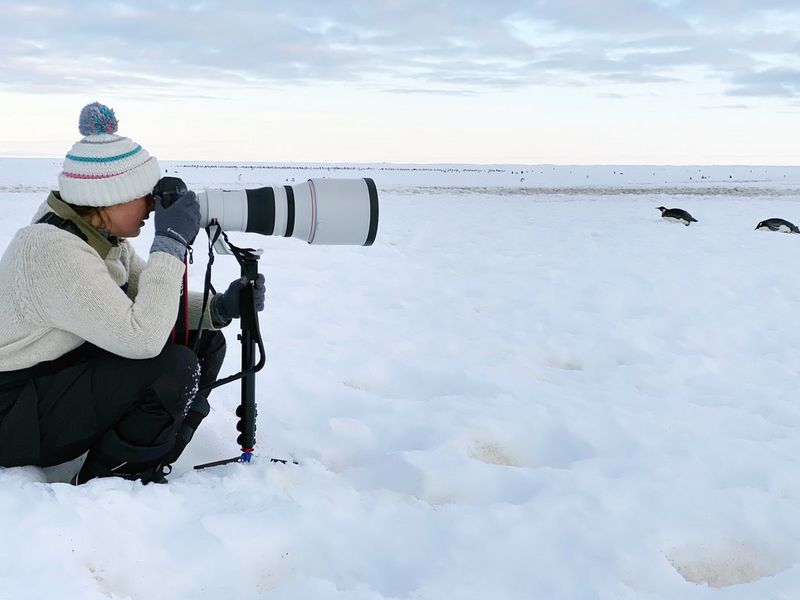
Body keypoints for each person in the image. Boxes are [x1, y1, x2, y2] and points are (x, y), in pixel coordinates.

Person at [0, 102, 266, 484]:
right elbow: (143, 337)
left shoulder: (100, 236)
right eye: (145, 195)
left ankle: (150, 458)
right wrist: (170, 243)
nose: (153, 206)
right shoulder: (50, 250)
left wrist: (219, 309)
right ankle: (110, 484)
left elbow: (151, 303)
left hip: (51, 375)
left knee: (204, 341)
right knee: (172, 369)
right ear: (109, 198)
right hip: (12, 411)